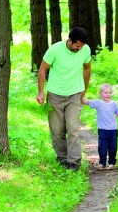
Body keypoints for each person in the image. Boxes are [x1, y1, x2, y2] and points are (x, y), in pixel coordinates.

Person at [37, 27, 92, 172]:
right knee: (57, 130)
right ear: (70, 41)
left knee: (73, 128)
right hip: (55, 95)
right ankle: (62, 159)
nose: (79, 49)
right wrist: (41, 92)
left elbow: (87, 68)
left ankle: (74, 162)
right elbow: (43, 69)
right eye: (76, 46)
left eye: (81, 47)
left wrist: (84, 89)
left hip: (74, 95)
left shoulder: (85, 50)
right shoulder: (55, 49)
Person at [81, 83, 118, 170]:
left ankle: (112, 163)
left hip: (113, 130)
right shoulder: (98, 103)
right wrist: (82, 95)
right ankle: (102, 163)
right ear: (100, 94)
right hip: (102, 130)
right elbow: (85, 101)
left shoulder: (114, 104)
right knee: (102, 147)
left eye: (110, 93)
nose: (108, 94)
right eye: (105, 93)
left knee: (113, 147)